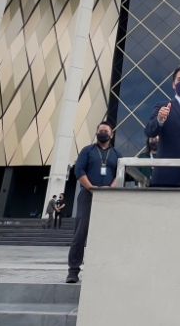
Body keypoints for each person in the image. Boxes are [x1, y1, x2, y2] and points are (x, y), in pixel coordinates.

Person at [67, 121, 121, 283]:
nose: (103, 133)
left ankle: (104, 269)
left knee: (108, 233)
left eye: (106, 131)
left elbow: (121, 173)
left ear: (111, 135)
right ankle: (73, 270)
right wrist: (91, 188)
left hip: (108, 198)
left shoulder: (117, 154)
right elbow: (79, 170)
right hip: (88, 195)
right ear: (97, 133)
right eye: (100, 130)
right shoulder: (87, 151)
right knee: (80, 233)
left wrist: (110, 189)